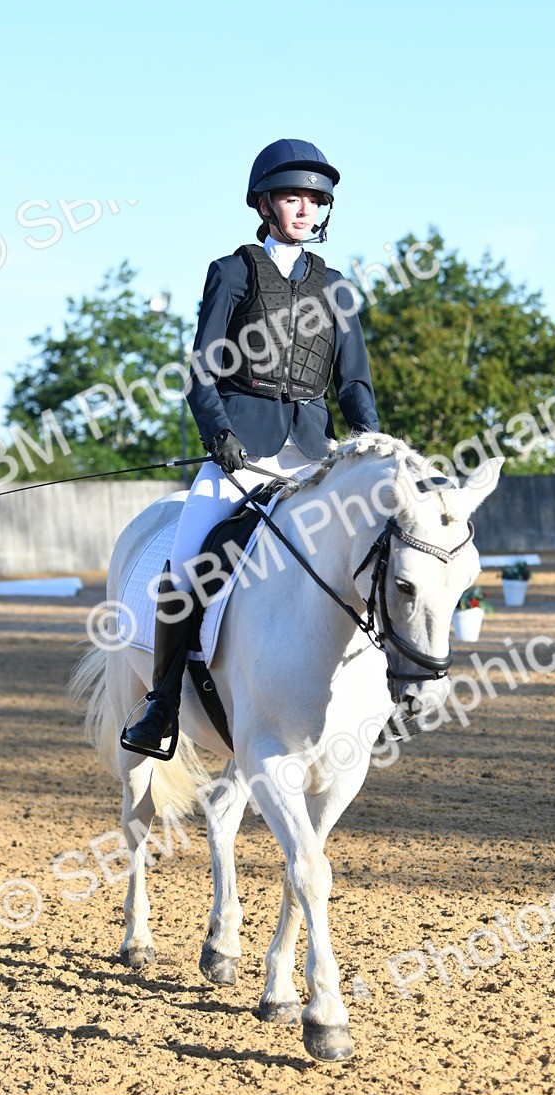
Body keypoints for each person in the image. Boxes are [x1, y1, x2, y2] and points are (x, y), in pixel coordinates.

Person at [122, 138, 380, 757]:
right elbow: (201, 370)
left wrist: (371, 443)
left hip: (314, 457)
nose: (305, 209)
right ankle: (161, 703)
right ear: (264, 204)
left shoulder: (336, 286)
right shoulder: (234, 271)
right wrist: (220, 436)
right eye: (293, 197)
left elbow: (353, 381)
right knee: (188, 564)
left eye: (315, 200)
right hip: (241, 450)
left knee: (369, 555)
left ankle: (377, 693)